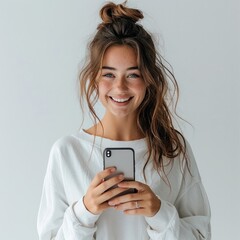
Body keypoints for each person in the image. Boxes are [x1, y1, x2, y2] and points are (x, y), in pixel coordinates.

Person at [37, 1, 211, 239]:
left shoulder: (171, 150)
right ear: (94, 79)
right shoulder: (67, 152)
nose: (119, 87)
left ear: (149, 79)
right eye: (109, 74)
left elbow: (202, 235)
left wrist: (159, 212)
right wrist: (84, 210)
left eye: (133, 74)